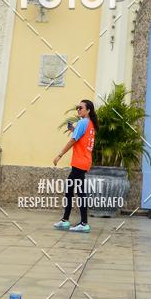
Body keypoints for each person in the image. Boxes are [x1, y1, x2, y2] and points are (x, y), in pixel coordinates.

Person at [53, 99, 98, 233]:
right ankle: (65, 220)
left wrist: (59, 154)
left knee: (79, 192)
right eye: (77, 108)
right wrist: (73, 129)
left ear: (88, 110)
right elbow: (82, 138)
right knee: (70, 189)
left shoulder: (83, 122)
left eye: (81, 108)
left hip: (79, 162)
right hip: (84, 161)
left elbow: (73, 140)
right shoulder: (90, 124)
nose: (78, 110)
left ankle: (83, 223)